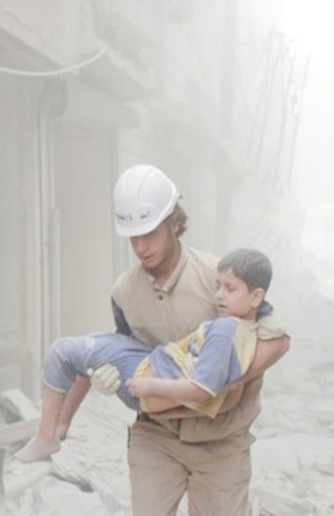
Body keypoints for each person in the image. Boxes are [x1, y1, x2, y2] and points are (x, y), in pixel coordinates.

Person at [83, 164, 289, 515]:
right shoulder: (123, 292)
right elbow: (128, 352)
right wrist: (110, 378)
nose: (141, 246)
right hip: (156, 437)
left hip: (220, 442)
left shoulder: (220, 278)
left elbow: (277, 338)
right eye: (133, 237)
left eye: (150, 233)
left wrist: (226, 378)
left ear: (174, 223)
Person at [15, 248, 280, 463]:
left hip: (144, 378)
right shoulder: (246, 329)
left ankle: (48, 435)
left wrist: (148, 385)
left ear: (256, 297)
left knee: (62, 351)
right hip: (153, 366)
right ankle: (57, 428)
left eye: (230, 289)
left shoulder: (225, 330)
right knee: (92, 348)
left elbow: (203, 390)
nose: (219, 295)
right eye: (218, 286)